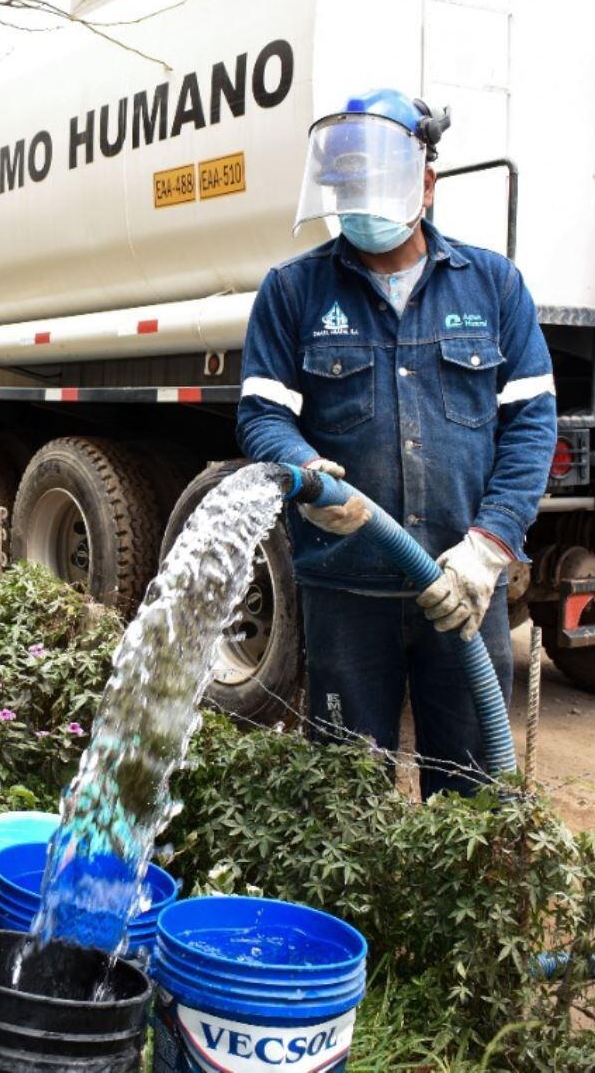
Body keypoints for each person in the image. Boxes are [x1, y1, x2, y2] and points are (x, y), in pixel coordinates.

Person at [237, 88, 557, 797]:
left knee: (473, 797)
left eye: (372, 184)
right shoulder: (294, 291)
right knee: (345, 798)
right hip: (346, 587)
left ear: (427, 184)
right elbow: (262, 418)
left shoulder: (494, 286)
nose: (359, 202)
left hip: (462, 586)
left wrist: (490, 547)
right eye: (346, 186)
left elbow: (532, 427)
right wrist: (304, 469)